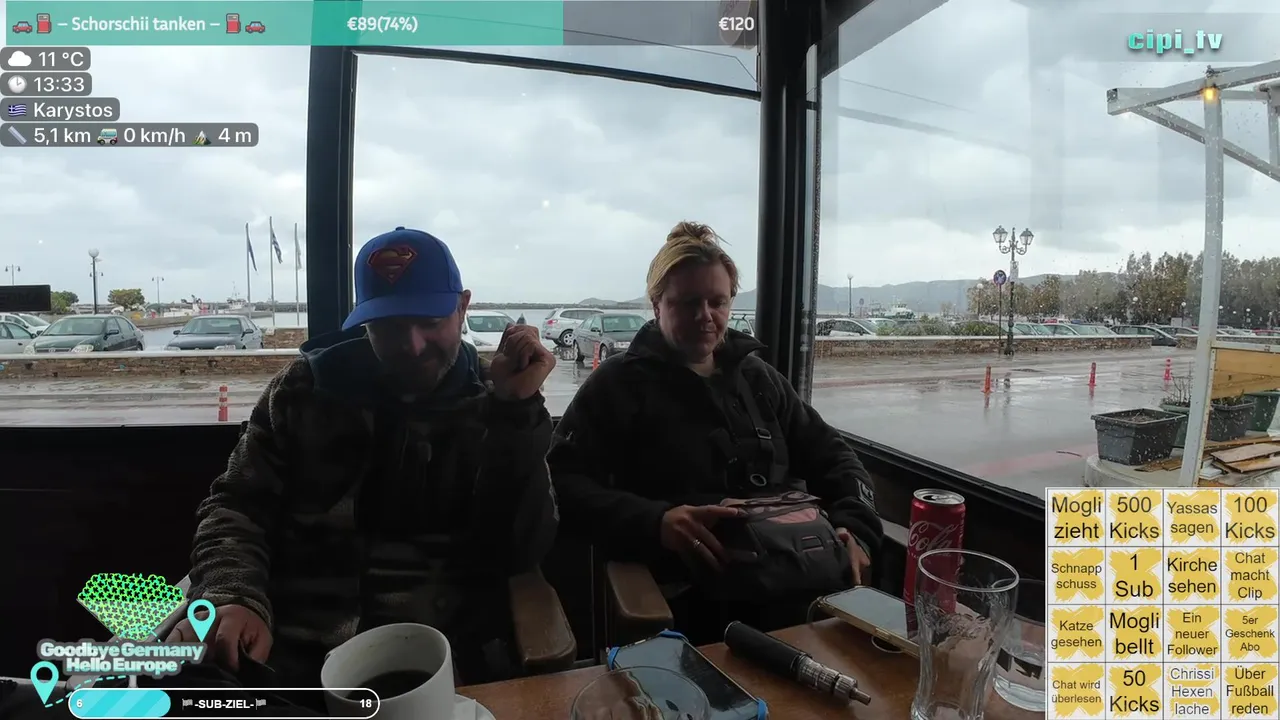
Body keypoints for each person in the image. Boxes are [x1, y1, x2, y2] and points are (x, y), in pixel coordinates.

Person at [167, 227, 559, 686]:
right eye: (389, 327)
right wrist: (233, 596)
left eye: (430, 321)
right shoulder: (304, 391)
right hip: (286, 644)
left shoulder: (494, 401)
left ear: (462, 307)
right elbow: (236, 506)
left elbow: (520, 548)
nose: (413, 346)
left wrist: (516, 411)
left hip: (436, 652)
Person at [548, 221, 882, 644]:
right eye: (688, 302)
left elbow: (836, 457)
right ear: (656, 305)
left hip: (799, 583)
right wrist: (657, 522)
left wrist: (858, 534)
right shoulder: (617, 387)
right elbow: (564, 482)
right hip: (688, 600)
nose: (704, 316)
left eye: (717, 302)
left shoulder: (759, 380)